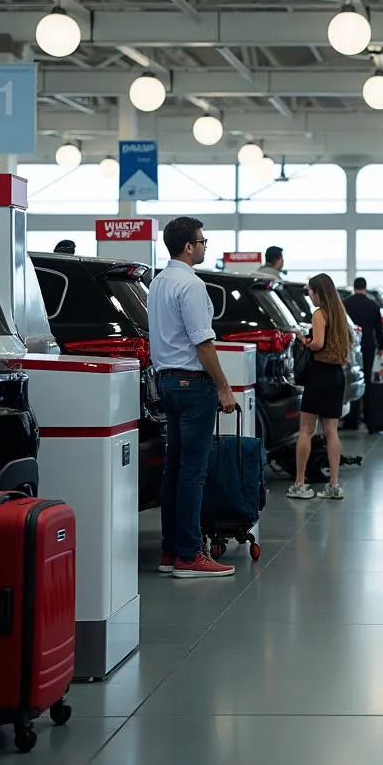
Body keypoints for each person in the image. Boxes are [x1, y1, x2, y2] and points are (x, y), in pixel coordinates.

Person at [148, 217, 237, 579]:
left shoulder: (156, 283)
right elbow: (203, 343)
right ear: (188, 246)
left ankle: (171, 550)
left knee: (174, 470)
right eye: (202, 241)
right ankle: (189, 554)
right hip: (191, 384)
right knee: (192, 473)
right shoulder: (192, 285)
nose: (204, 246)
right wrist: (224, 387)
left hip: (166, 383)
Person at [288, 273, 352, 501]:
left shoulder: (319, 313)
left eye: (311, 292)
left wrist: (303, 340)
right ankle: (334, 484)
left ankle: (299, 483)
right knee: (331, 431)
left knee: (306, 430)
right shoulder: (339, 312)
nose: (310, 296)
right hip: (336, 376)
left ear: (318, 292)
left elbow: (318, 343)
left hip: (319, 376)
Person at [344, 277, 383, 385]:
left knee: (352, 376)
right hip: (368, 344)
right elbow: (378, 327)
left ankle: (354, 401)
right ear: (365, 288)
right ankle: (367, 401)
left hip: (351, 345)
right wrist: (381, 346)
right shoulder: (373, 305)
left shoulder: (345, 304)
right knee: (367, 375)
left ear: (354, 287)